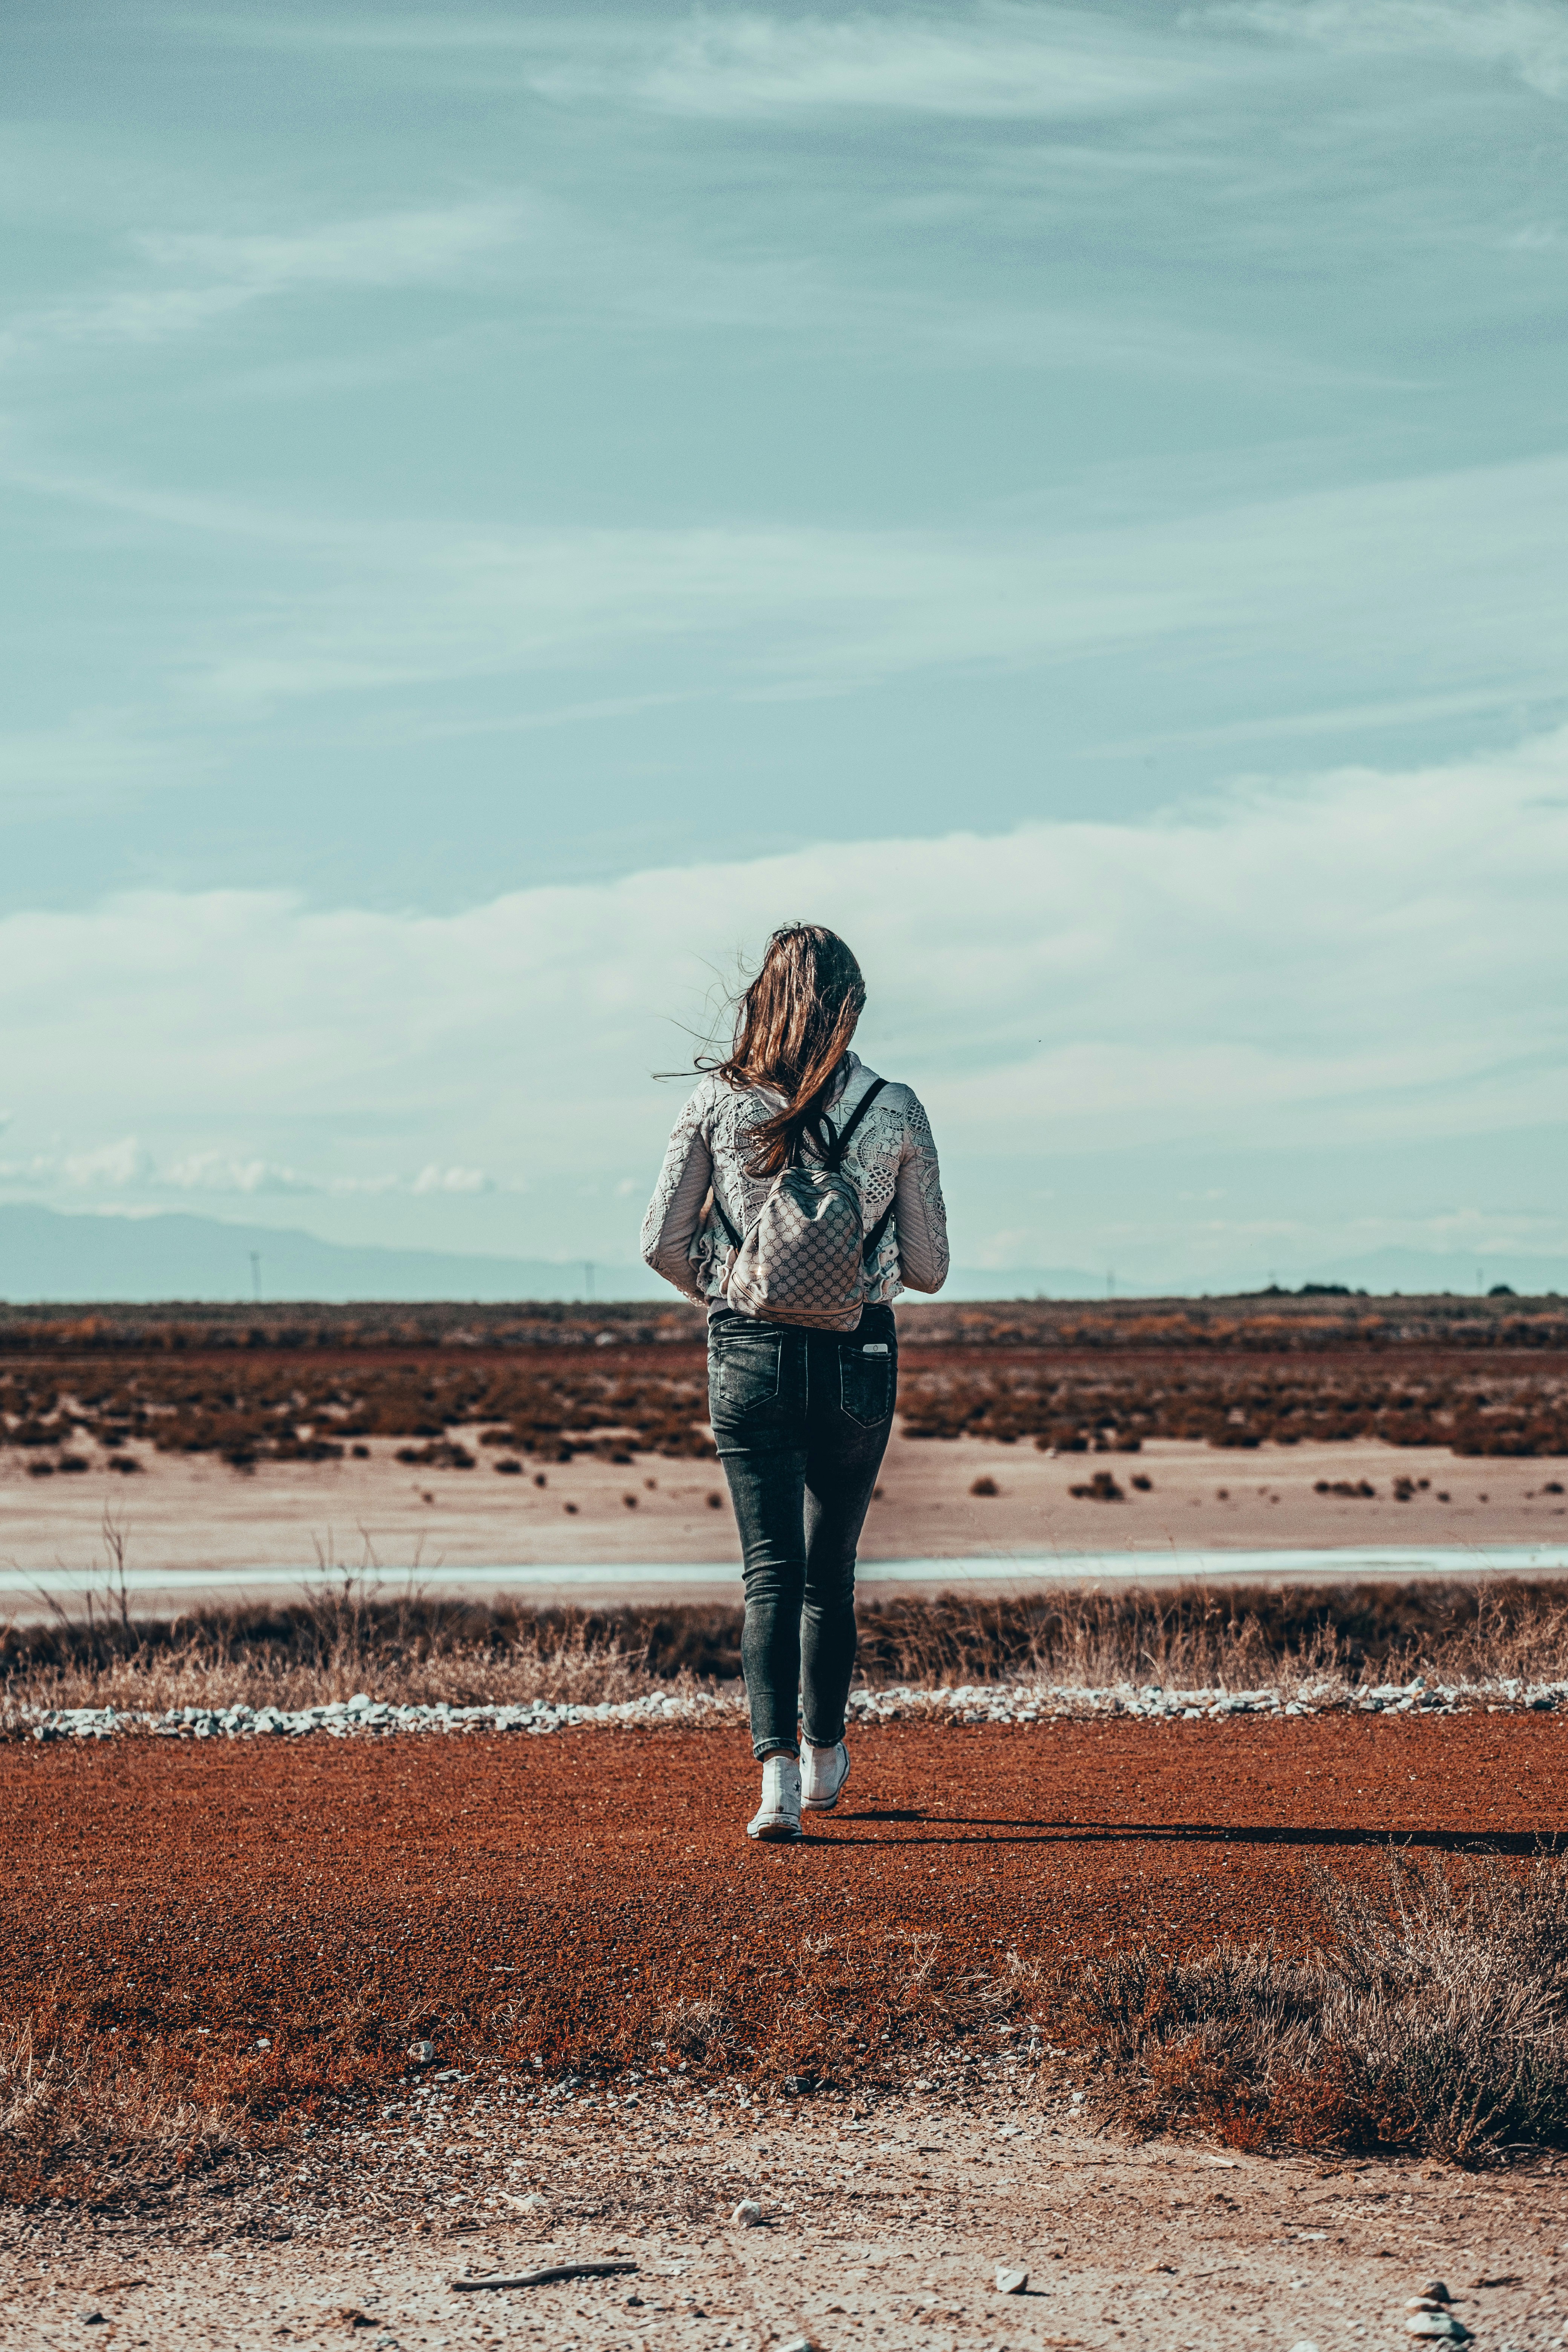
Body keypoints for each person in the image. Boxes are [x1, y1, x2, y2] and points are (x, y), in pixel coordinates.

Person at [641, 924, 949, 1841]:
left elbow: (659, 1241)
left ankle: (773, 1783)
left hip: (748, 1351)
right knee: (831, 1576)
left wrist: (730, 1283)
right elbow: (930, 1268)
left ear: (761, 998)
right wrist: (860, 1279)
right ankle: (824, 1758)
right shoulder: (894, 1107)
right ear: (850, 1002)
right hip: (858, 1356)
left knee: (767, 1573)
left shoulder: (714, 1102)